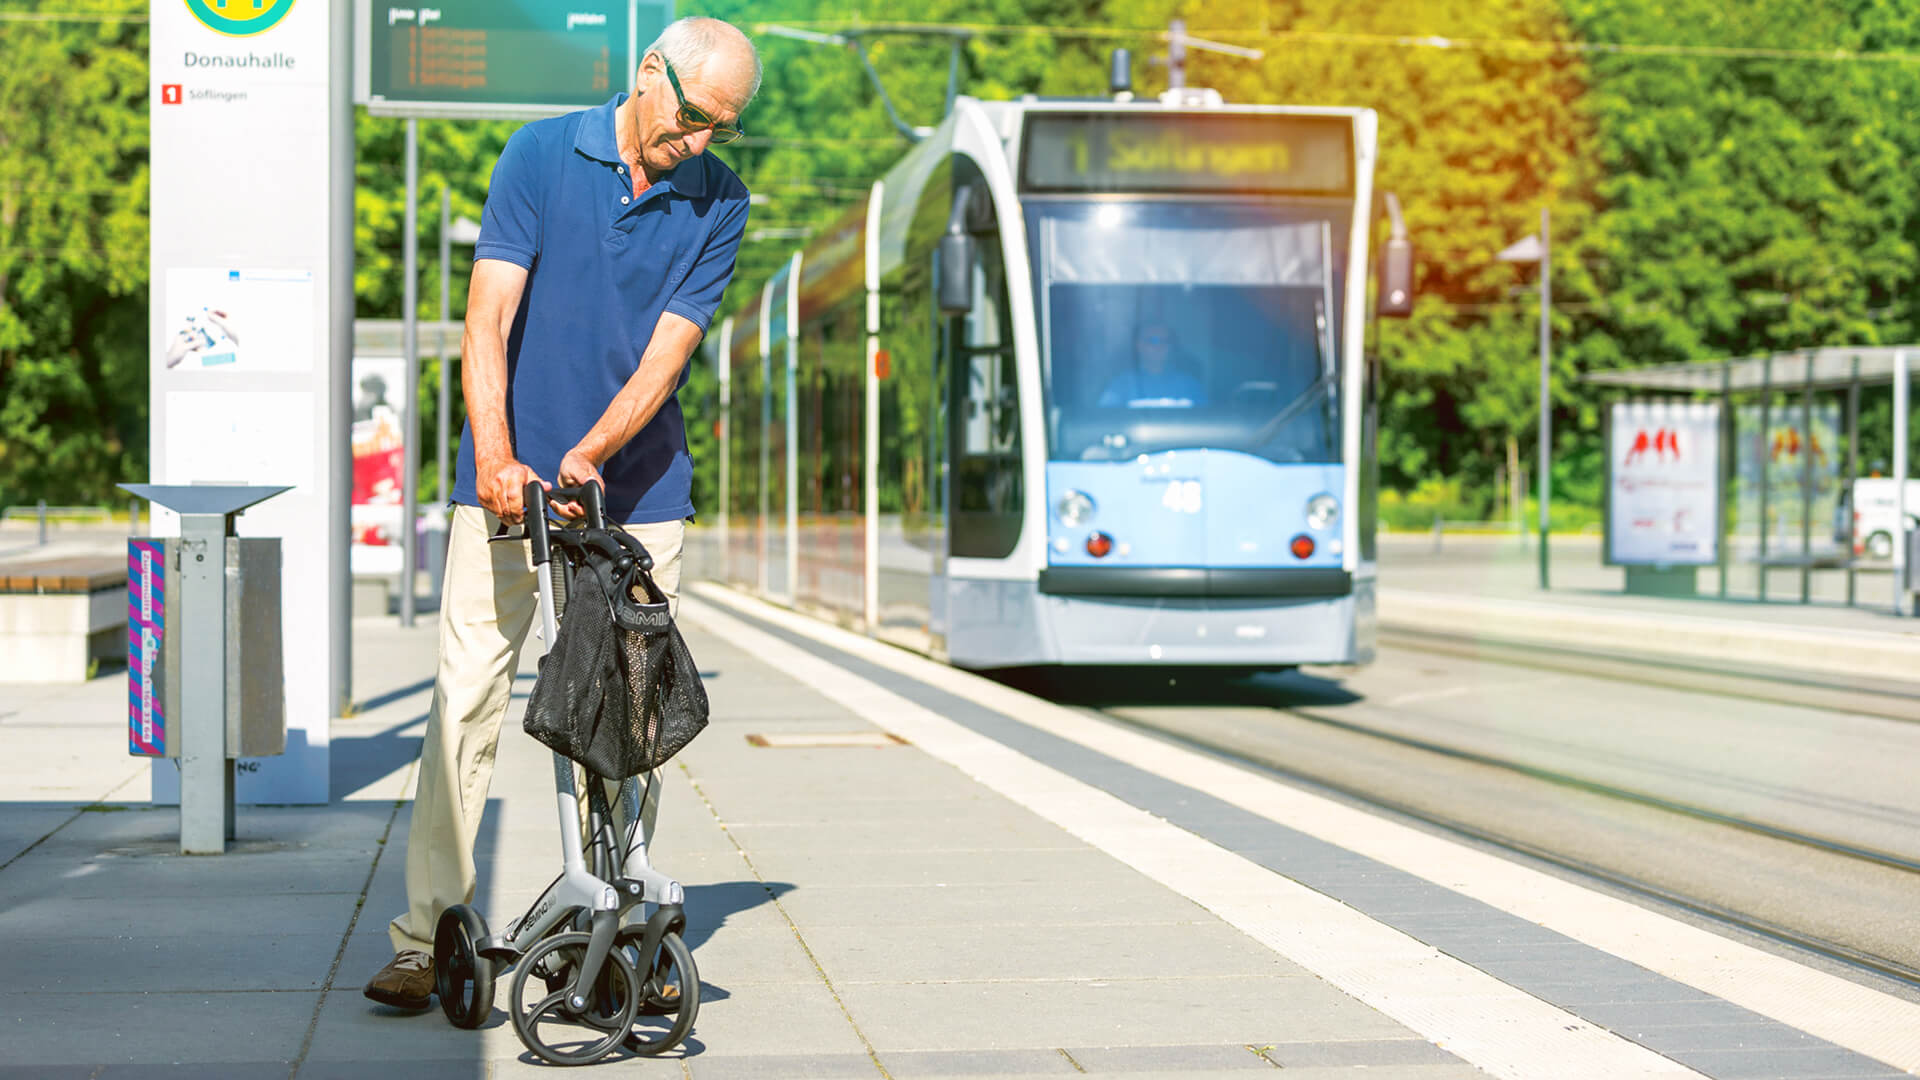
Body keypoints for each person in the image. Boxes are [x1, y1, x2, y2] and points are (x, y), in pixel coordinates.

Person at [363, 16, 760, 1010]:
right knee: (465, 702)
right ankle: (423, 938)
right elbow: (489, 314)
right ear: (650, 74)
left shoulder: (720, 200)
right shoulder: (540, 153)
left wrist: (591, 454)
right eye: (695, 117)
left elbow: (669, 352)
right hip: (503, 489)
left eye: (724, 127)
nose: (702, 142)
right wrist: (499, 456)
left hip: (639, 497)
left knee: (627, 721)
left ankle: (620, 925)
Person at [1097, 321, 1207, 408]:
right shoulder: (1121, 386)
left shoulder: (1189, 385)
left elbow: (1205, 423)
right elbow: (1105, 422)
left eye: (1165, 341)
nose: (1160, 346)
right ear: (1139, 345)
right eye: (1153, 341)